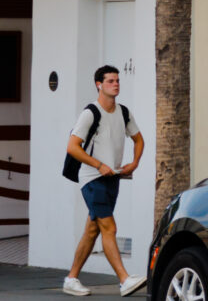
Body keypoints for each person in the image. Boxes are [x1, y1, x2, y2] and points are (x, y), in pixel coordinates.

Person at [64, 66, 146, 297]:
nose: (116, 84)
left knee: (92, 230)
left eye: (117, 80)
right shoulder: (90, 113)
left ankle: (71, 279)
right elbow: (72, 147)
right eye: (110, 81)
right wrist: (98, 165)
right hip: (92, 179)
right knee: (109, 227)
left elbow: (139, 140)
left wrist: (134, 163)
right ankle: (124, 280)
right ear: (99, 85)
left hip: (113, 178)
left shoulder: (123, 112)